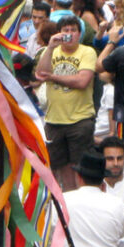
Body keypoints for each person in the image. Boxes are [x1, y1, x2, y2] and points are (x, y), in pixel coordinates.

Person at [35, 16, 98, 190]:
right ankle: (63, 200)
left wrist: (53, 77)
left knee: (78, 166)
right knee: (56, 166)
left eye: (73, 30)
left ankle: (76, 199)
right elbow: (40, 75)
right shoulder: (49, 51)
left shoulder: (87, 52)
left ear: (79, 34)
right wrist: (49, 48)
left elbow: (82, 81)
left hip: (80, 120)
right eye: (65, 30)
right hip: (54, 120)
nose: (69, 34)